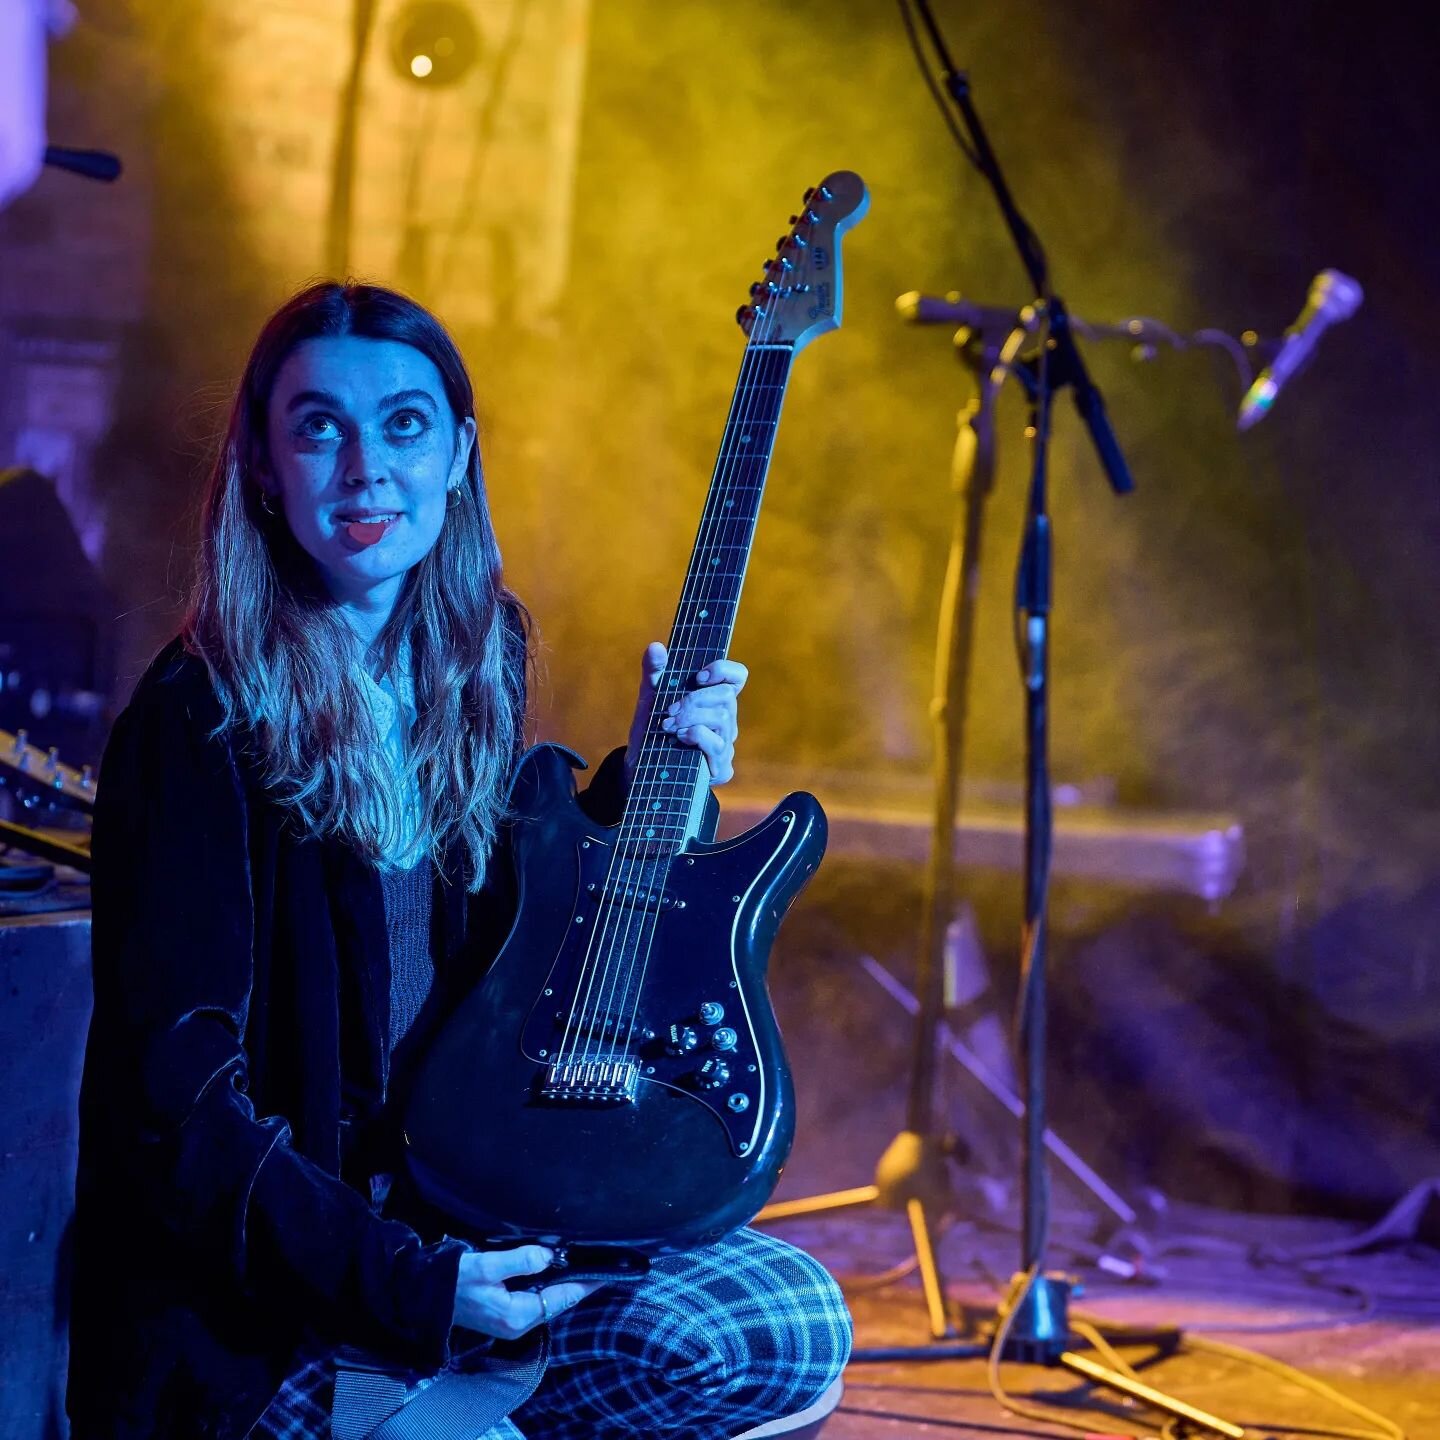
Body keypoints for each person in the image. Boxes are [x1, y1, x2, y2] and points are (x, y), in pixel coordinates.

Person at [67, 281, 851, 1440]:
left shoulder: (476, 663)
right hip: (278, 1315)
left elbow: (520, 949)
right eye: (318, 426)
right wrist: (412, 1288)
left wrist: (652, 778)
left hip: (462, 1235)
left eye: (405, 424)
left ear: (459, 455)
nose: (365, 468)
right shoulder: (197, 721)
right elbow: (177, 1110)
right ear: (265, 466)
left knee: (790, 1323)